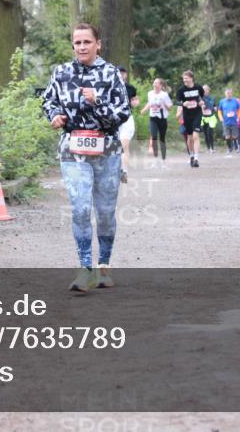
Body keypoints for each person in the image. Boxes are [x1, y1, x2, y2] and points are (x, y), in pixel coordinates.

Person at [42, 23, 131, 293]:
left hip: (107, 148)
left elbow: (123, 112)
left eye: (86, 42)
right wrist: (54, 116)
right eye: (77, 42)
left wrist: (97, 102)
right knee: (80, 208)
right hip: (73, 148)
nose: (81, 47)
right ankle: (85, 269)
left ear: (98, 44)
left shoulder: (110, 73)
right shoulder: (62, 72)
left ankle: (103, 266)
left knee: (104, 213)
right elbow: (48, 101)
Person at [175, 70, 204, 168]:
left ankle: (196, 159)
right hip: (187, 115)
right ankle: (191, 155)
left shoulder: (198, 87)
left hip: (197, 114)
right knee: (190, 137)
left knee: (196, 136)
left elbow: (201, 97)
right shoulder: (181, 90)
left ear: (191, 78)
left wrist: (201, 102)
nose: (185, 80)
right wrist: (183, 104)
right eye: (183, 79)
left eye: (186, 78)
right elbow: (177, 102)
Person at [140, 78, 172, 164]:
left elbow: (170, 108)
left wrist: (164, 104)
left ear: (160, 85)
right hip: (153, 118)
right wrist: (144, 109)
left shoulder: (164, 95)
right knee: (154, 136)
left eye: (156, 83)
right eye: (154, 83)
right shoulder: (150, 93)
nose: (154, 84)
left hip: (162, 118)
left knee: (162, 138)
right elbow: (149, 103)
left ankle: (163, 158)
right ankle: (155, 157)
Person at [116, 66, 140, 183]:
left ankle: (124, 171)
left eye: (123, 73)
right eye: (119, 72)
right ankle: (114, 170)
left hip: (126, 120)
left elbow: (135, 100)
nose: (121, 74)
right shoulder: (109, 87)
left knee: (124, 146)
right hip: (113, 121)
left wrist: (135, 102)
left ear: (126, 75)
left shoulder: (131, 88)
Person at [217, 88, 240, 154]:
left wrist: (238, 117)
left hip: (234, 121)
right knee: (227, 136)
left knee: (234, 136)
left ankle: (237, 148)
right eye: (228, 93)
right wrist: (221, 118)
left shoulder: (235, 101)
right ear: (225, 94)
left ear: (232, 94)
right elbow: (219, 110)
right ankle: (229, 148)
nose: (229, 94)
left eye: (230, 93)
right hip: (225, 121)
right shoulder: (222, 101)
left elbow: (239, 110)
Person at [201, 84, 218, 153]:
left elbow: (215, 106)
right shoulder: (200, 98)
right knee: (205, 133)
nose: (204, 91)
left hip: (211, 117)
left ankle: (212, 148)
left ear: (209, 90)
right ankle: (208, 148)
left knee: (210, 132)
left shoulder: (212, 98)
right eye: (203, 89)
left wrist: (215, 108)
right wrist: (201, 107)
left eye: (206, 89)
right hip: (203, 117)